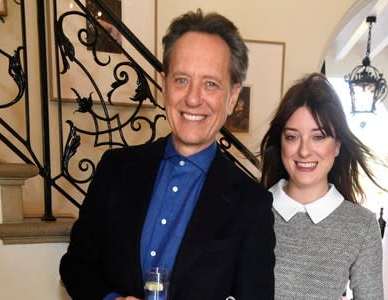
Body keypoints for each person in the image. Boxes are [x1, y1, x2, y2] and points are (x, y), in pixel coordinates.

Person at [59, 9, 275, 300]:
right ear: (164, 85)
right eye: (182, 80)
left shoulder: (251, 203)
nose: (193, 98)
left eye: (210, 83)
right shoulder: (115, 169)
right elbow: (76, 266)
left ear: (232, 97)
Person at [260, 72, 384, 299]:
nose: (304, 151)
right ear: (281, 143)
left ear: (337, 145)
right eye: (292, 137)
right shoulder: (251, 209)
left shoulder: (361, 226)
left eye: (318, 137)